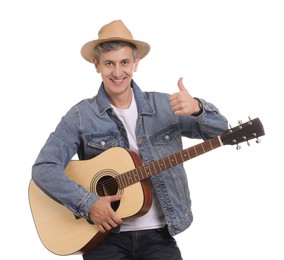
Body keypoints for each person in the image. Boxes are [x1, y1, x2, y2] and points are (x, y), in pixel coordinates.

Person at [32, 20, 228, 260]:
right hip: (104, 238)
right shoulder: (80, 116)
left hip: (159, 236)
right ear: (96, 65)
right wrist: (89, 204)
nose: (117, 73)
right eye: (109, 64)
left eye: (124, 62)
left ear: (136, 63)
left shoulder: (166, 106)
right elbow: (44, 168)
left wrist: (197, 108)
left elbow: (220, 133)